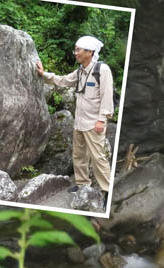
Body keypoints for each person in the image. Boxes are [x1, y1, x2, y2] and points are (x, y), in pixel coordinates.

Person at [36, 36, 114, 194]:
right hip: (79, 122)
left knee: (98, 157)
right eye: (76, 50)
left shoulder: (102, 70)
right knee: (78, 155)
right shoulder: (80, 71)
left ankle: (107, 191)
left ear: (90, 52)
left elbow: (107, 96)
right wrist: (44, 74)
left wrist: (102, 119)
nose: (76, 53)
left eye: (79, 50)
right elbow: (63, 80)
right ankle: (82, 184)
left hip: (94, 123)